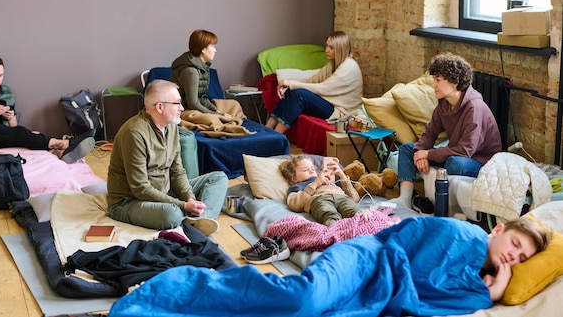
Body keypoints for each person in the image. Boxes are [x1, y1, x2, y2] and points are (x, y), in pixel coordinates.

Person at [106, 215, 551, 316]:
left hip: (380, 280)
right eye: (515, 243)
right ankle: (172, 287)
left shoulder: (477, 272)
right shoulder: (465, 235)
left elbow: (436, 294)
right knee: (303, 297)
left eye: (523, 258)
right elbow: (410, 248)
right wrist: (490, 288)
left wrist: (492, 290)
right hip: (366, 257)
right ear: (497, 230)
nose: (515, 257)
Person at [106, 79, 228, 236]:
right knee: (172, 215)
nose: (182, 108)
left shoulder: (172, 127)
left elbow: (177, 171)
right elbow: (140, 188)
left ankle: (201, 220)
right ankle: (189, 219)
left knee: (219, 178)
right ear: (160, 107)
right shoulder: (134, 133)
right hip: (130, 201)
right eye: (177, 103)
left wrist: (189, 198)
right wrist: (182, 205)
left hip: (165, 190)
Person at [391, 53, 502, 214]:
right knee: (407, 148)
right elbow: (429, 133)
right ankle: (405, 198)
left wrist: (428, 154)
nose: (433, 85)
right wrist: (418, 153)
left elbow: (465, 151)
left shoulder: (475, 108)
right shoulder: (444, 105)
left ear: (454, 81)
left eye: (437, 79)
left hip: (478, 162)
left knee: (454, 163)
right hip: (456, 155)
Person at [0, 54, 94, 164]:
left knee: (20, 133)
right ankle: (66, 143)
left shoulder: (6, 92)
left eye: (1, 76)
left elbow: (13, 128)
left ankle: (60, 152)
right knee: (19, 133)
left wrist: (10, 117)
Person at [265, 31, 363, 134]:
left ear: (340, 49)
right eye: (326, 46)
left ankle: (275, 136)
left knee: (300, 95)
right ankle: (266, 129)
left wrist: (292, 84)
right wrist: (289, 83)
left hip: (341, 112)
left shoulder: (349, 67)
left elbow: (322, 88)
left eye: (331, 48)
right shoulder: (333, 63)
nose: (326, 50)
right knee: (291, 90)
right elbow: (312, 80)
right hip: (331, 104)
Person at [170, 29, 232, 118]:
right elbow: (193, 104)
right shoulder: (191, 72)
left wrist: (216, 110)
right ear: (203, 49)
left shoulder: (202, 68)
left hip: (195, 108)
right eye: (213, 46)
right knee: (212, 119)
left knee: (233, 104)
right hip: (184, 111)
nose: (215, 50)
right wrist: (218, 115)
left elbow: (202, 97)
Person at [282, 155, 360, 226]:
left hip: (342, 197)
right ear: (294, 178)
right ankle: (333, 228)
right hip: (320, 199)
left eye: (312, 168)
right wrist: (315, 184)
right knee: (329, 215)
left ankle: (364, 222)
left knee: (354, 210)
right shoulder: (297, 186)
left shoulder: (330, 181)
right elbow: (295, 205)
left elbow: (354, 199)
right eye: (305, 170)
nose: (311, 171)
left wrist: (342, 176)